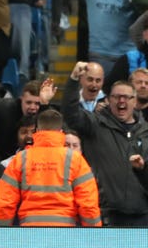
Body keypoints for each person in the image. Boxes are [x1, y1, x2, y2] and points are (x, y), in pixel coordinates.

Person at [62, 61, 148, 226]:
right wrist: (73, 80)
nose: (121, 101)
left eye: (127, 97)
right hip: (106, 215)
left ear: (135, 101)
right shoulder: (95, 125)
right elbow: (70, 114)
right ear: (108, 100)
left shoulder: (145, 132)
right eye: (116, 97)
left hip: (142, 216)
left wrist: (142, 169)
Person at [0, 109, 102, 227]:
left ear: (38, 130)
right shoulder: (75, 160)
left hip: (30, 231)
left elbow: (5, 203)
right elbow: (88, 204)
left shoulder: (21, 159)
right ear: (61, 131)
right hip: (66, 233)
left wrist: (0, 235)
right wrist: (93, 235)